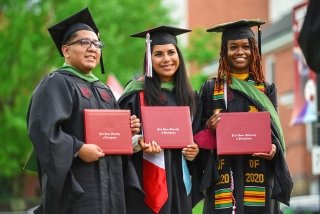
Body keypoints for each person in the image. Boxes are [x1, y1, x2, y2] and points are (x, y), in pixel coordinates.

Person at [27, 8, 140, 214]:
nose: (92, 48)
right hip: (78, 188)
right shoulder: (56, 82)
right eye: (84, 43)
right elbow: (42, 130)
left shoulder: (103, 89)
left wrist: (126, 133)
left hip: (111, 187)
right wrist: (77, 149)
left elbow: (110, 137)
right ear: (65, 50)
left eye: (97, 44)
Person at [196, 19, 293, 214]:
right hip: (222, 175)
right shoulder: (211, 89)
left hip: (258, 174)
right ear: (225, 51)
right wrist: (209, 125)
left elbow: (274, 133)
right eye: (233, 47)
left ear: (254, 51)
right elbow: (196, 135)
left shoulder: (265, 89)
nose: (240, 52)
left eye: (246, 47)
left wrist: (273, 148)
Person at [118, 26, 202, 214]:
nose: (166, 59)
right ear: (149, 58)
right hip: (144, 183)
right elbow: (117, 137)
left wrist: (194, 151)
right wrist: (137, 141)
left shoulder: (190, 97)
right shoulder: (134, 93)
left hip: (180, 182)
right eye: (158, 54)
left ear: (178, 56)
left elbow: (198, 137)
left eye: (171, 52)